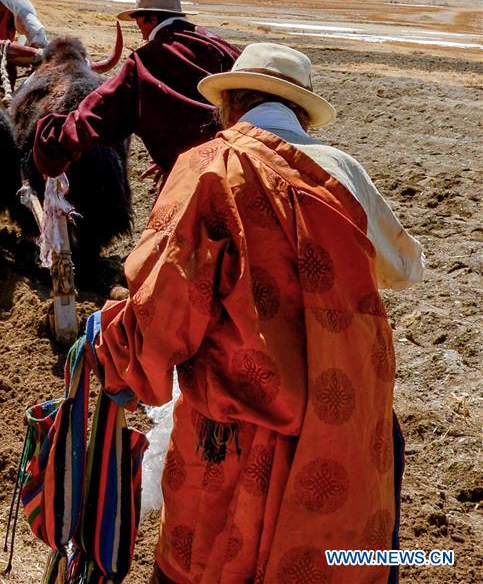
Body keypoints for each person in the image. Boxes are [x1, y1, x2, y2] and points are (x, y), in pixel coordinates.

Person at [85, 43, 424, 583]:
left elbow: (166, 300)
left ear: (229, 107)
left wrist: (111, 353)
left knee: (213, 559)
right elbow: (407, 270)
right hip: (349, 409)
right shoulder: (344, 172)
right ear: (300, 113)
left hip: (243, 430)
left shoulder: (209, 167)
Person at [34, 0, 240, 182]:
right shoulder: (218, 45)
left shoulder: (147, 60)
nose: (138, 26)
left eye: (138, 19)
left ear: (151, 17)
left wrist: (53, 145)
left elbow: (100, 112)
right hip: (239, 161)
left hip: (195, 173)